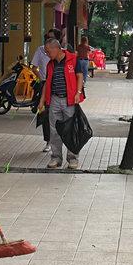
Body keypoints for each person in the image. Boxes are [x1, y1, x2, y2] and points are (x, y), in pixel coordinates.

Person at [42, 38, 84, 170]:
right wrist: (42, 101)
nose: (47, 54)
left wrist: (78, 93)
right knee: (54, 130)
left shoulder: (73, 59)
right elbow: (47, 83)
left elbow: (80, 76)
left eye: (48, 51)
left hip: (69, 100)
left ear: (56, 48)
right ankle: (56, 158)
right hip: (54, 99)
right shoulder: (50, 64)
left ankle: (73, 159)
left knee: (71, 130)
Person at [31, 28, 61, 152]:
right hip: (45, 83)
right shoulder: (40, 50)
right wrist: (42, 78)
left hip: (59, 86)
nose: (49, 39)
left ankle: (59, 140)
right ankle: (48, 141)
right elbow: (34, 67)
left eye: (52, 37)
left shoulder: (63, 52)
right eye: (47, 37)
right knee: (45, 114)